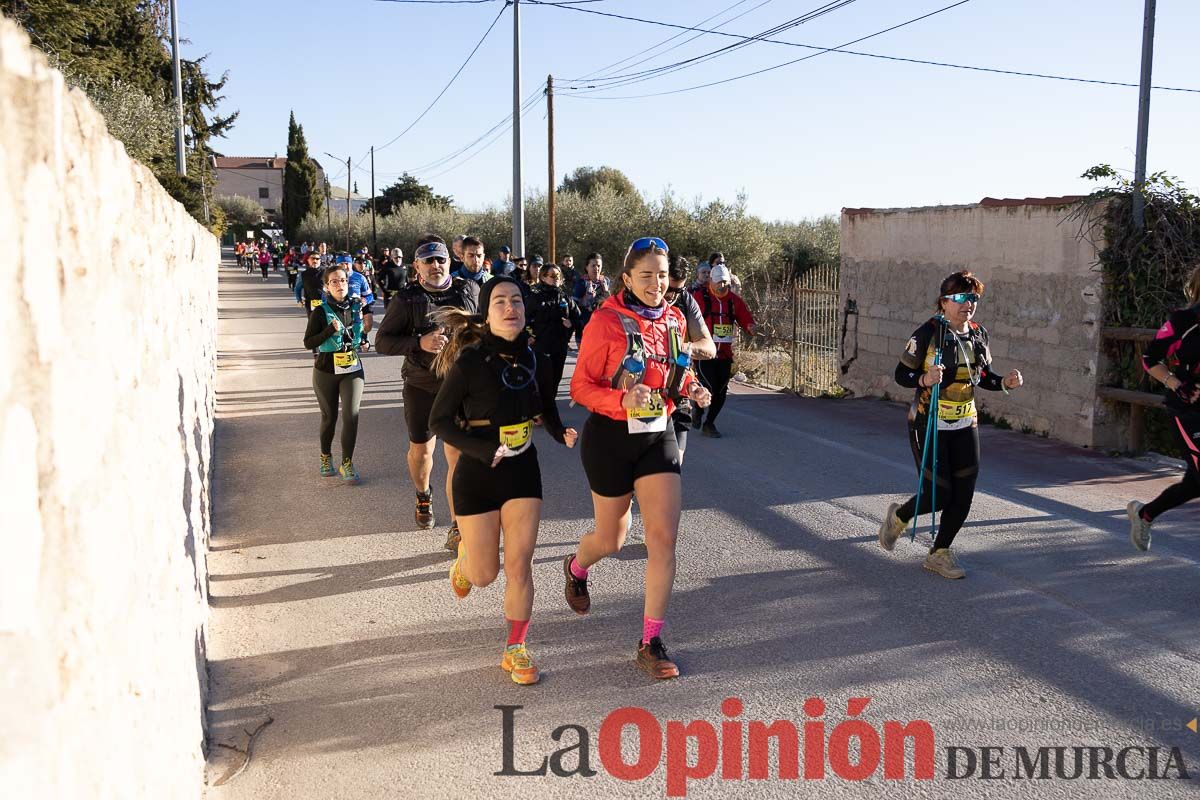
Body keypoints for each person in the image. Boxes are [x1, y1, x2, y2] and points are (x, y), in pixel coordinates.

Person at [563, 236, 712, 680]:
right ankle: (576, 567)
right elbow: (579, 388)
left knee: (663, 538)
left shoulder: (673, 319)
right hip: (610, 438)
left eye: (662, 276)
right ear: (627, 277)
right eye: (646, 275)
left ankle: (651, 640)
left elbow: (674, 375)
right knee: (611, 539)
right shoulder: (605, 322)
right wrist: (621, 400)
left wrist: (691, 389)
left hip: (657, 436)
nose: (656, 283)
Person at [429, 276, 579, 685]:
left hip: (522, 469)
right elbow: (438, 421)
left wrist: (558, 430)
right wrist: (478, 450)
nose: (510, 307)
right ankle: (464, 563)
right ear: (487, 311)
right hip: (477, 473)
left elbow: (545, 404)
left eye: (516, 300)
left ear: (525, 310)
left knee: (520, 565)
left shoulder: (539, 359)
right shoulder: (470, 362)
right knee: (484, 576)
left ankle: (516, 647)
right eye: (500, 301)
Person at [877, 271, 1024, 579]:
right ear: (943, 302)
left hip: (964, 421)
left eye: (972, 298)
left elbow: (982, 377)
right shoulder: (927, 333)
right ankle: (899, 518)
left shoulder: (978, 333)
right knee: (939, 494)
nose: (967, 304)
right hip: (928, 421)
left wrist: (1006, 383)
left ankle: (939, 553)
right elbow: (900, 375)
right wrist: (924, 378)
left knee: (964, 494)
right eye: (959, 298)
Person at [376, 235, 480, 549]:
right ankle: (423, 495)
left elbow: (483, 329)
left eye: (441, 259)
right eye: (428, 260)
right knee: (422, 453)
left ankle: (458, 525)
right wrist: (418, 343)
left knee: (458, 455)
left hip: (460, 386)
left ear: (451, 261)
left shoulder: (469, 291)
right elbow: (382, 342)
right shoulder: (406, 299)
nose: (436, 265)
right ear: (417, 265)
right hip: (421, 385)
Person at [1127, 264, 1200, 551]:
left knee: (1195, 483)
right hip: (1188, 411)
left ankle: (1145, 515)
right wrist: (1176, 384)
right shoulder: (1184, 321)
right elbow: (1150, 358)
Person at [303, 263, 366, 484]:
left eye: (343, 280)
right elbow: (308, 342)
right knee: (329, 417)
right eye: (334, 281)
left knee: (352, 415)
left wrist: (364, 341)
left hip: (352, 368)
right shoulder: (320, 311)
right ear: (327, 287)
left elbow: (359, 332)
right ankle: (325, 455)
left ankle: (347, 462)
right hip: (326, 370)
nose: (340, 284)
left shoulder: (356, 306)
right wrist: (330, 330)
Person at [691, 263, 756, 438]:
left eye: (725, 283)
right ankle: (697, 407)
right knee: (709, 385)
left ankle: (709, 423)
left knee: (720, 391)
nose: (722, 286)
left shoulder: (734, 300)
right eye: (718, 282)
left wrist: (750, 326)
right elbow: (687, 318)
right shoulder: (698, 297)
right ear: (710, 281)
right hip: (704, 354)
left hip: (724, 354)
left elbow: (745, 317)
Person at [667, 256, 716, 463]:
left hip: (679, 385)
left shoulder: (685, 302)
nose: (670, 296)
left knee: (674, 464)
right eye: (667, 287)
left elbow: (708, 347)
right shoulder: (633, 300)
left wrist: (681, 349)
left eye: (678, 290)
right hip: (640, 392)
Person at [527, 264, 580, 408]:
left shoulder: (565, 297)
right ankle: (539, 410)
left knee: (556, 378)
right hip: (541, 345)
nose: (556, 279)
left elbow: (578, 317)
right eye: (552, 276)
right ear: (543, 277)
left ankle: (549, 408)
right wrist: (529, 335)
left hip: (560, 345)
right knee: (543, 379)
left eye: (558, 276)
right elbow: (524, 318)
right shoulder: (535, 297)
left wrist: (572, 323)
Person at [572, 252, 610, 346]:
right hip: (585, 325)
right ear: (587, 267)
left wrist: (606, 292)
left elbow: (612, 302)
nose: (596, 268)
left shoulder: (606, 281)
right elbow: (574, 306)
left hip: (602, 326)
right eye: (593, 265)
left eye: (598, 265)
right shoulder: (582, 283)